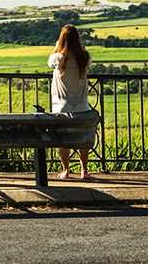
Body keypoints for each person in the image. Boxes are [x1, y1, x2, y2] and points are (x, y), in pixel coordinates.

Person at [48, 24, 92, 180]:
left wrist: (56, 47)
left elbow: (49, 62)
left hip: (62, 105)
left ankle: (66, 170)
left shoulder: (58, 57)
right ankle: (84, 171)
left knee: (63, 139)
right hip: (82, 104)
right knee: (82, 139)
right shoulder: (84, 56)